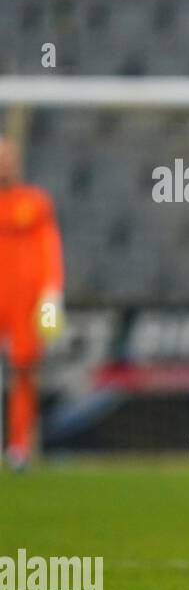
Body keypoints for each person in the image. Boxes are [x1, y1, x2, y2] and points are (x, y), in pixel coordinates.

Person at [0, 137, 64, 471]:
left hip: (26, 301)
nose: (4, 165)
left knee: (25, 370)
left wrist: (52, 295)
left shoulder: (35, 202)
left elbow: (49, 249)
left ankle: (20, 447)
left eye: (7, 158)